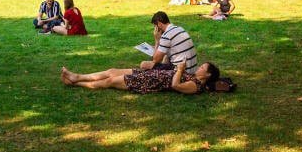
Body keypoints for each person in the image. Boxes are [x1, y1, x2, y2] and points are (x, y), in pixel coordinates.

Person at [61, 61, 219, 94]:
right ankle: (77, 76)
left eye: (202, 68)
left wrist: (180, 70)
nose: (199, 67)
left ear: (208, 75)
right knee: (111, 70)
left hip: (147, 82)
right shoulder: (193, 76)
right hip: (147, 74)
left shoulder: (195, 85)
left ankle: (76, 83)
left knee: (109, 82)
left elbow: (175, 85)